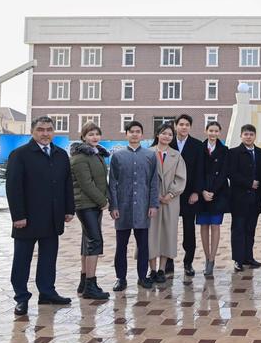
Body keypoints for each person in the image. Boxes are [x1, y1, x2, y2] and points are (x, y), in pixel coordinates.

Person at [6, 116, 75, 316]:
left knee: (48, 259)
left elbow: (67, 184)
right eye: (41, 129)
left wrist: (69, 209)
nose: (45, 133)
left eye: (49, 129)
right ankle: (21, 297)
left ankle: (47, 293)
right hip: (27, 219)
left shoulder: (61, 155)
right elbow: (13, 187)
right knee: (22, 260)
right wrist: (18, 216)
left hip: (52, 217)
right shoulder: (20, 155)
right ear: (32, 131)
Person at [108, 121, 160, 291]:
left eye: (138, 131)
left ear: (142, 135)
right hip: (122, 207)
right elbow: (113, 182)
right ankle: (120, 278)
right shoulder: (118, 156)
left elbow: (153, 183)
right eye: (131, 131)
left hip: (143, 207)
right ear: (127, 134)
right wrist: (113, 206)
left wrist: (153, 204)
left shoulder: (150, 156)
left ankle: (142, 277)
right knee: (121, 246)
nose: (135, 134)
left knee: (143, 245)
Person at [70, 122, 110, 300]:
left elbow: (101, 181)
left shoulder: (96, 154)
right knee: (95, 241)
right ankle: (91, 286)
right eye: (90, 134)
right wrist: (103, 201)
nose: (95, 137)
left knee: (87, 242)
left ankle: (84, 282)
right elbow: (86, 184)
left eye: (97, 134)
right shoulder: (80, 157)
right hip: (85, 205)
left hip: (93, 205)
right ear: (83, 137)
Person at [166, 114, 205, 277]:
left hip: (189, 194)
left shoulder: (197, 145)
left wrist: (196, 192)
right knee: (169, 228)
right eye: (181, 124)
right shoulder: (167, 142)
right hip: (170, 194)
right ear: (175, 126)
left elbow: (200, 170)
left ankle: (188, 262)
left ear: (190, 127)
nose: (184, 127)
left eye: (187, 124)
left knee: (189, 230)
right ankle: (167, 261)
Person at [148, 123, 187, 284]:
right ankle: (152, 270)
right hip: (151, 201)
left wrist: (170, 194)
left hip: (171, 201)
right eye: (164, 133)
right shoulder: (148, 153)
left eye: (170, 134)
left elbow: (181, 177)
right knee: (151, 234)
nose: (167, 137)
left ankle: (162, 269)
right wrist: (155, 195)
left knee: (168, 233)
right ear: (158, 134)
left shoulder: (176, 155)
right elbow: (144, 177)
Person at [227, 124, 261, 272]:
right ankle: (238, 259)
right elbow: (231, 173)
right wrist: (249, 183)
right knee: (238, 230)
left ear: (255, 136)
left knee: (250, 229)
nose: (248, 137)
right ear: (241, 136)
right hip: (239, 199)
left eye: (251, 134)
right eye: (246, 134)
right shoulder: (233, 152)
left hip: (255, 199)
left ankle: (248, 257)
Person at [198, 121, 229, 277]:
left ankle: (212, 259)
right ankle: (206, 257)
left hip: (218, 194)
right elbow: (197, 171)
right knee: (204, 226)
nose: (213, 133)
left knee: (215, 226)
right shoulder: (200, 148)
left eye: (216, 131)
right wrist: (202, 191)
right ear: (206, 131)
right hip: (202, 194)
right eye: (211, 130)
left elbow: (224, 173)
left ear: (220, 133)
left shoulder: (224, 150)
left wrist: (213, 191)